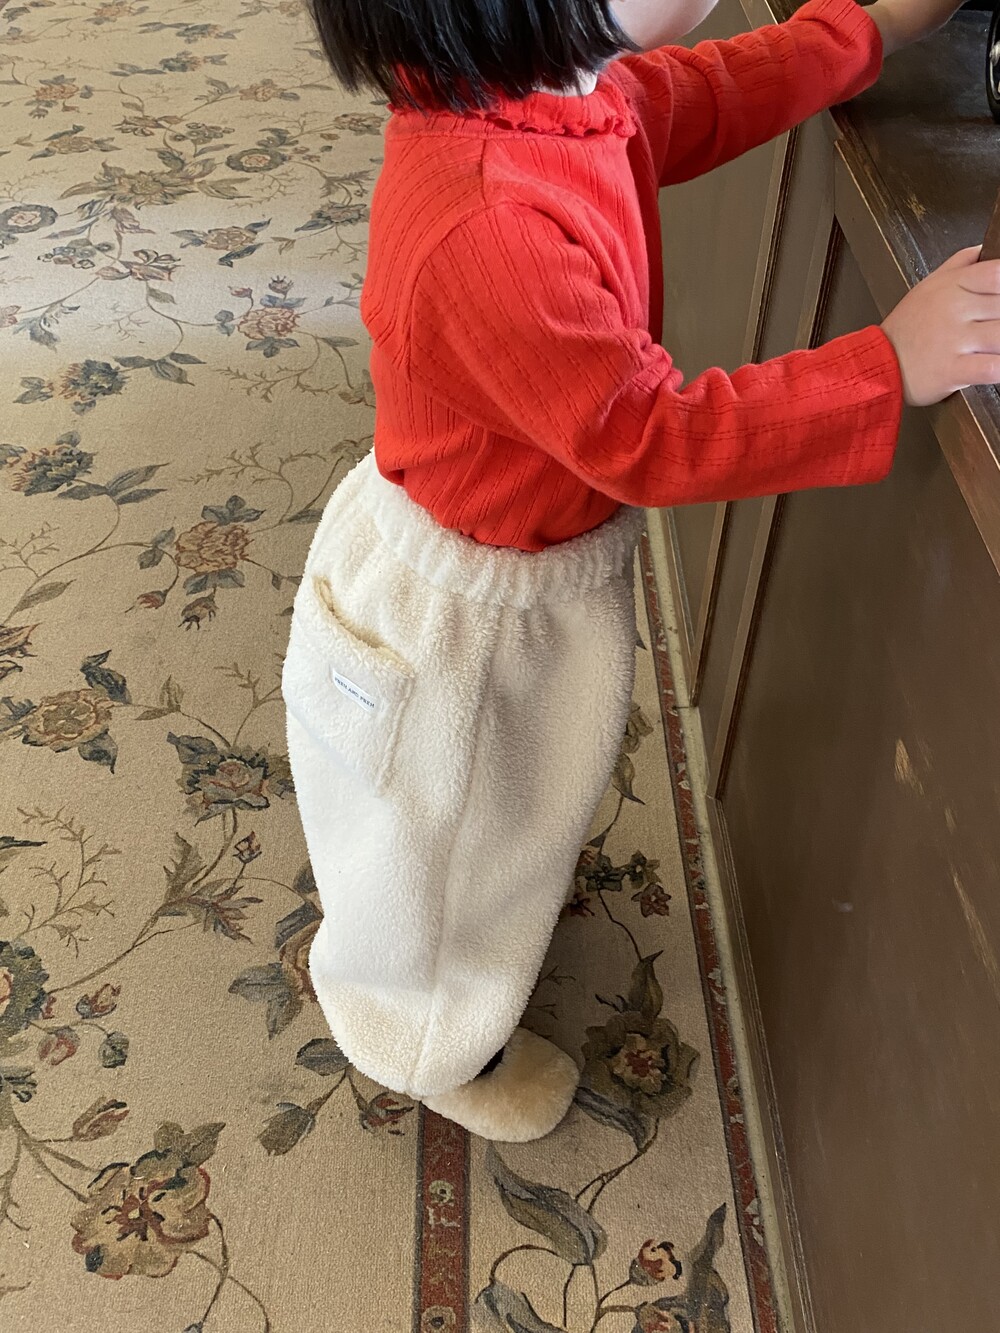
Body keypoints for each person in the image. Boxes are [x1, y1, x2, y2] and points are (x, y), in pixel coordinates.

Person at [282, 0, 1000, 1142]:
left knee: (500, 815)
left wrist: (867, 31)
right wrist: (882, 366)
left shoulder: (557, 89)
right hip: (465, 618)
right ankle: (427, 1041)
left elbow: (692, 99)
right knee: (438, 838)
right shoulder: (488, 225)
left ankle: (472, 953)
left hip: (518, 559)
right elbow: (653, 437)